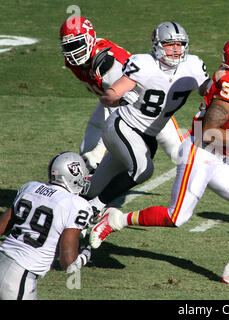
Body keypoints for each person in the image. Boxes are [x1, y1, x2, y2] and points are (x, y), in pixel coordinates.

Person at [89, 35, 229, 284]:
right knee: (177, 218)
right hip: (200, 153)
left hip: (216, 155)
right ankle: (116, 218)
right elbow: (207, 131)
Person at [83, 21, 211, 212]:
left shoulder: (193, 66)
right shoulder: (143, 64)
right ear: (157, 45)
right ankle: (94, 209)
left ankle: (73, 204)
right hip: (122, 126)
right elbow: (109, 97)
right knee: (143, 170)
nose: (175, 50)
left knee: (91, 188)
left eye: (179, 44)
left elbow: (211, 92)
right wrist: (119, 98)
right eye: (169, 44)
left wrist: (224, 82)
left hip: (148, 136)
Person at [60, 16, 185, 173]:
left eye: (77, 44)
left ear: (89, 38)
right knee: (88, 150)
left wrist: (100, 150)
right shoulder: (76, 61)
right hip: (114, 101)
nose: (73, 51)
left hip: (147, 103)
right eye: (68, 46)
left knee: (178, 153)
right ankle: (86, 187)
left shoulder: (106, 63)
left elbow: (120, 108)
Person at [0, 152, 94, 299]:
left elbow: (1, 226)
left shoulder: (30, 188)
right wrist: (84, 256)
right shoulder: (77, 205)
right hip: (19, 276)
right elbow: (68, 264)